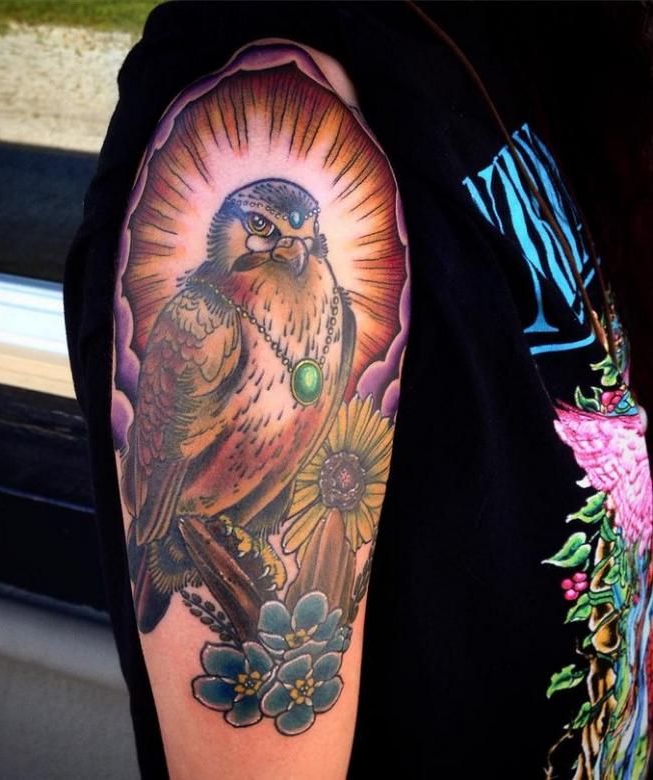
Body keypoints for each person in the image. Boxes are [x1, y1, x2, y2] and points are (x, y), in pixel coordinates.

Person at [64, 3, 652, 778]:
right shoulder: (271, 128)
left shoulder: (495, 39)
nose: (290, 247)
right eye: (267, 231)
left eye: (298, 235)